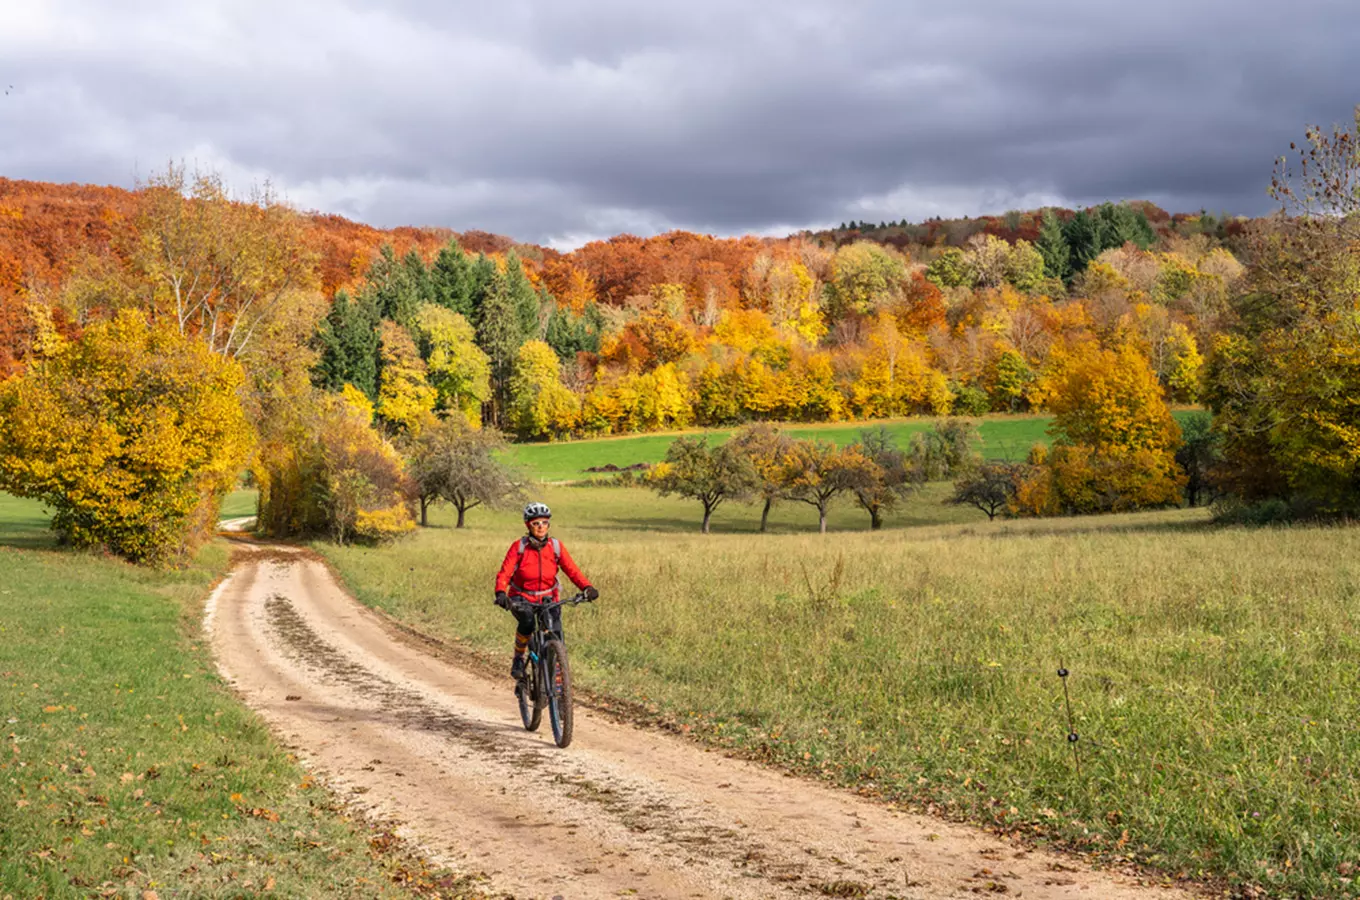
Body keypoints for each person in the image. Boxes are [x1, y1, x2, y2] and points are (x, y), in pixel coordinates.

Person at [494, 502, 598, 679]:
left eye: (544, 522)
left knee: (555, 634)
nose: (541, 526)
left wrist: (587, 587)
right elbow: (505, 572)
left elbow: (572, 570)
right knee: (527, 622)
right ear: (528, 525)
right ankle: (518, 658)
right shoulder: (519, 547)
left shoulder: (555, 547)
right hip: (521, 597)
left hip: (548, 597)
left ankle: (558, 682)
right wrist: (501, 593)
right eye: (536, 523)